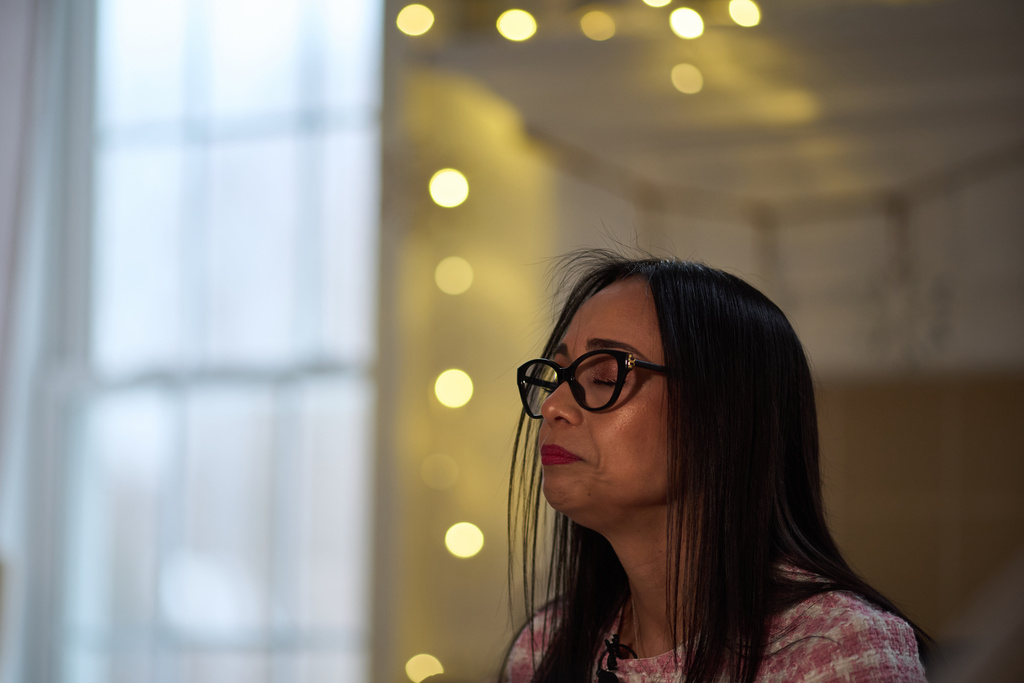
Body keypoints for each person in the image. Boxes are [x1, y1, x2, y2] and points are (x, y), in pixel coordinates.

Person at [502, 250, 930, 682]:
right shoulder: (546, 645)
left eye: (605, 377)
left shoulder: (836, 646)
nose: (554, 405)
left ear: (724, 415)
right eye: (554, 378)